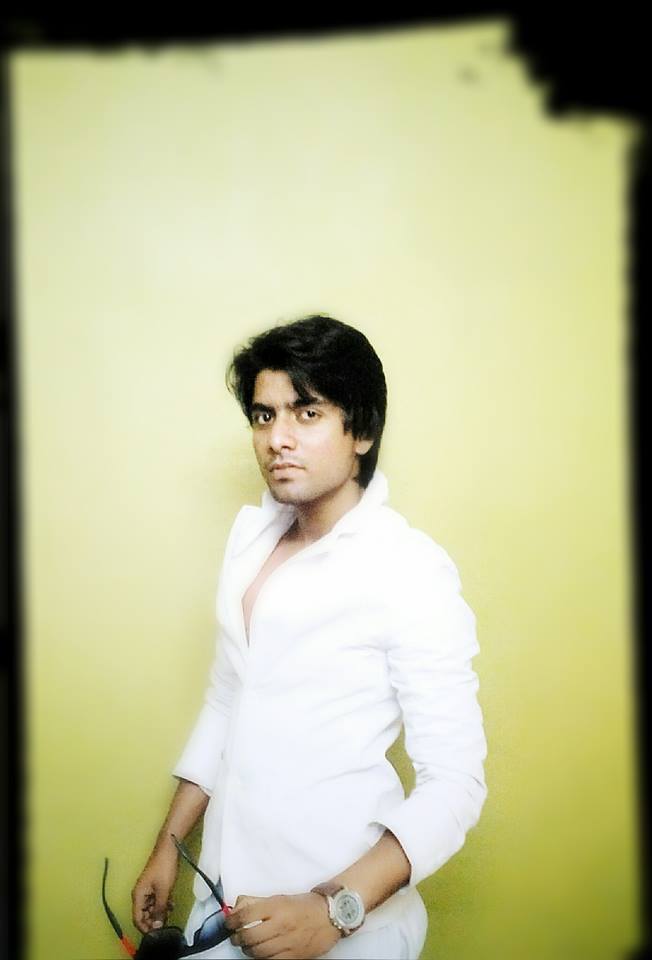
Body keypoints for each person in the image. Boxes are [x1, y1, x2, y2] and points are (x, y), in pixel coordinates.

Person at [131, 315, 487, 960]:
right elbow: (227, 700)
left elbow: (455, 784)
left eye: (308, 413)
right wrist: (168, 848)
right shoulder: (251, 544)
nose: (278, 438)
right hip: (228, 903)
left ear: (363, 431)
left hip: (348, 923)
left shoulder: (409, 567)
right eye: (264, 416)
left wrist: (336, 909)